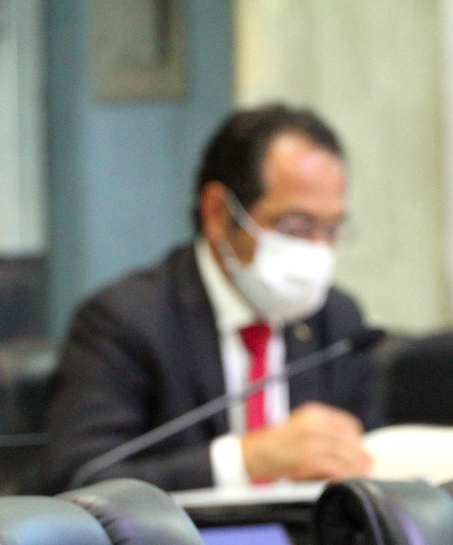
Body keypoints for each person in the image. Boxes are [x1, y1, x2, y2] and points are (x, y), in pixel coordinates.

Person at [27, 103, 378, 494]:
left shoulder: (337, 321)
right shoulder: (126, 320)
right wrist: (244, 461)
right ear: (218, 214)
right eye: (295, 226)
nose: (318, 250)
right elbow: (78, 479)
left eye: (331, 230)